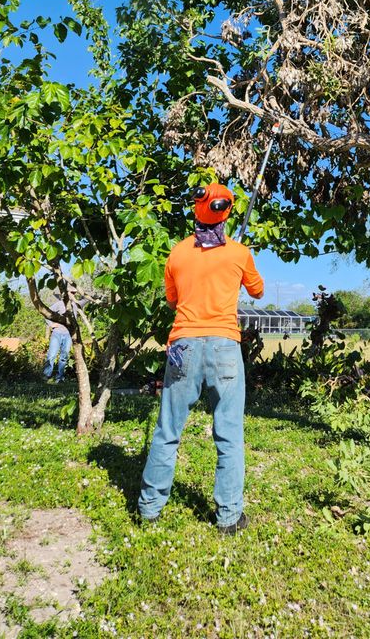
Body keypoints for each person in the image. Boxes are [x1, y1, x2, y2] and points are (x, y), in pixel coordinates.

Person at [138, 183, 264, 532]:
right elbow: (258, 290)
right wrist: (234, 269)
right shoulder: (239, 252)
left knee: (167, 429)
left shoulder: (178, 253)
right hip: (224, 346)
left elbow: (172, 300)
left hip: (184, 345)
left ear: (197, 209)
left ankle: (149, 509)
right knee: (229, 433)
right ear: (226, 212)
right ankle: (228, 517)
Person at [43, 300, 73, 383]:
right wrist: (51, 324)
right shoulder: (60, 303)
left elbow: (86, 299)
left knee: (64, 357)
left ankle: (60, 378)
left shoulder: (75, 304)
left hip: (69, 334)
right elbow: (46, 313)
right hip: (57, 333)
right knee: (51, 355)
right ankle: (46, 375)